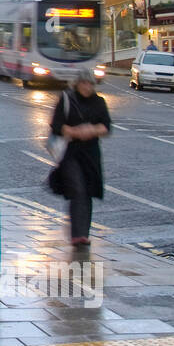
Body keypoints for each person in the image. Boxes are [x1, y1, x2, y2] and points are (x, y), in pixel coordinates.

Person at [48, 69, 111, 246]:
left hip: (91, 153)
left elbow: (106, 126)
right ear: (77, 84)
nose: (87, 87)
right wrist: (75, 132)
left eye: (90, 83)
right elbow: (56, 125)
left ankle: (84, 233)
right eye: (83, 83)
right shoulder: (67, 99)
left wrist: (92, 130)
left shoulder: (99, 102)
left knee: (88, 192)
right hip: (70, 152)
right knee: (77, 189)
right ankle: (77, 234)